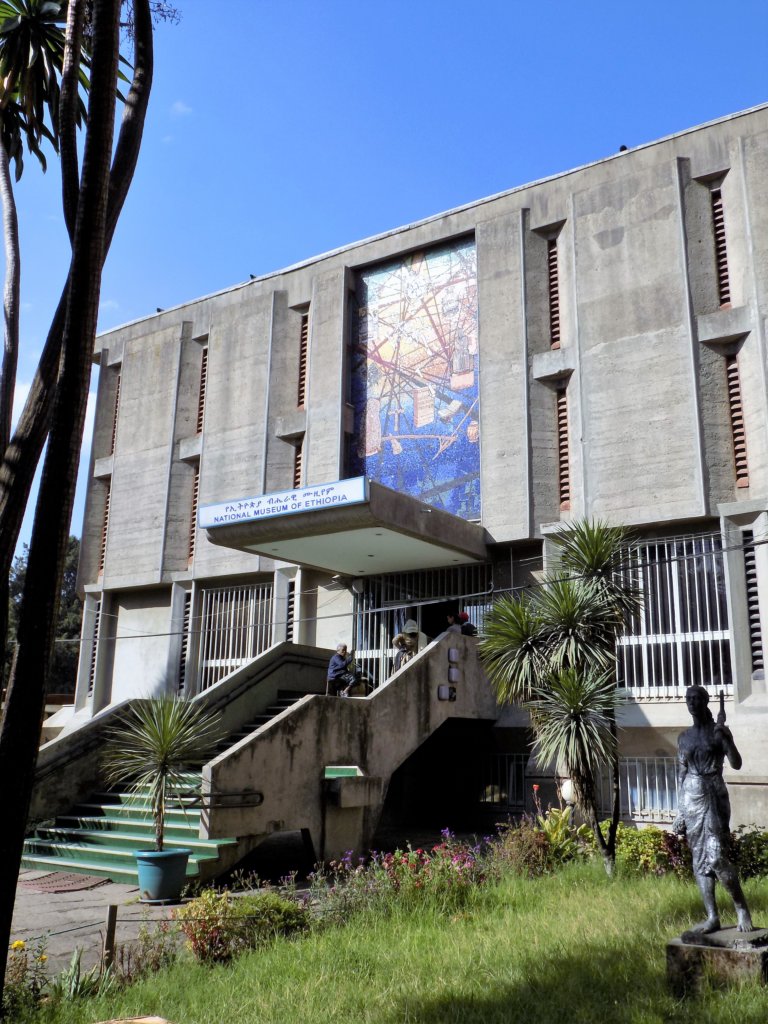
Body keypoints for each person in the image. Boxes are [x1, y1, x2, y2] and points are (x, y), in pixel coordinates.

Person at [675, 684, 753, 934]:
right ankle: (712, 917)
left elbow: (737, 763)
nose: (692, 702)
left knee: (717, 856)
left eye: (697, 698)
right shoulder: (684, 737)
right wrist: (679, 810)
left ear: (706, 701)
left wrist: (728, 739)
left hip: (714, 794)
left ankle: (741, 908)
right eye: (688, 698)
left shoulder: (717, 732)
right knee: (699, 861)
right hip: (691, 798)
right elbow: (682, 773)